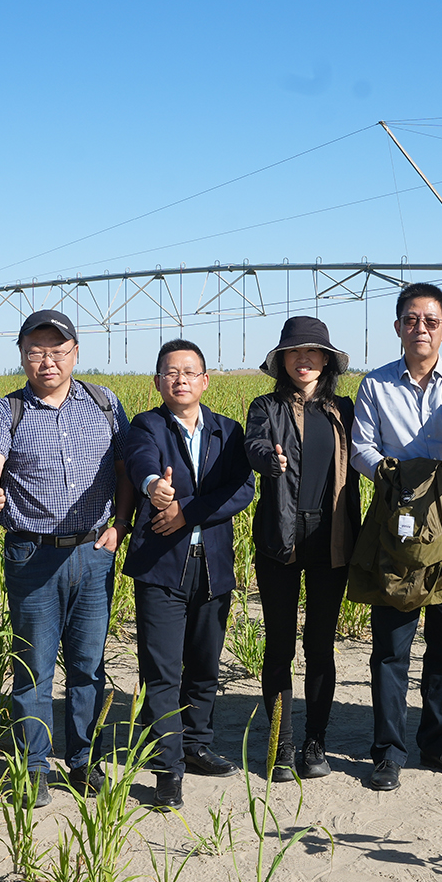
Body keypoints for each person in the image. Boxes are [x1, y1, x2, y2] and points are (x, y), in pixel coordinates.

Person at [0, 310, 134, 806]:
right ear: (22, 356)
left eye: (57, 351)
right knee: (33, 668)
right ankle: (34, 766)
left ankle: (84, 761)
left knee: (89, 666)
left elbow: (126, 469)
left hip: (93, 552)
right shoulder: (6, 411)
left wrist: (121, 524)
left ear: (75, 353)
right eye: (36, 351)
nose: (48, 361)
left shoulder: (105, 403)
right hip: (32, 555)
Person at [349, 284, 442, 791]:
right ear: (398, 327)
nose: (420, 328)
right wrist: (394, 475)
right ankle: (388, 752)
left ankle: (440, 744)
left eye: (430, 321)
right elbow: (361, 445)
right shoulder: (375, 385)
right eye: (411, 319)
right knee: (391, 642)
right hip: (397, 525)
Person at [123, 340, 255, 808]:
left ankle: (197, 744)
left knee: (204, 664)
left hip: (213, 565)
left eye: (189, 372)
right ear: (158, 381)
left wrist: (186, 513)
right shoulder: (147, 425)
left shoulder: (227, 431)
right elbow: (140, 462)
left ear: (205, 380)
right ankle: (167, 768)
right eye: (170, 372)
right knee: (161, 670)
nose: (180, 379)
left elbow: (243, 488)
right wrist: (154, 487)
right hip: (162, 567)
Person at [245, 316, 360, 783]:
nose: (304, 359)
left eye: (313, 352)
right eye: (294, 352)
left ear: (326, 361)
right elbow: (253, 444)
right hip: (280, 538)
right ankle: (282, 743)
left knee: (320, 644)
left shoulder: (344, 409)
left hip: (331, 539)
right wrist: (268, 459)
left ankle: (315, 742)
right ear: (283, 361)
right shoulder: (265, 407)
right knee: (279, 645)